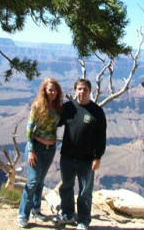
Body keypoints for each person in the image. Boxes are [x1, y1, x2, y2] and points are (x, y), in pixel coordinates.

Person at [53, 78, 107, 230]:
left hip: (87, 160)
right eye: (79, 89)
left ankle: (83, 220)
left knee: (84, 191)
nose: (82, 92)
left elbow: (101, 136)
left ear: (90, 91)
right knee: (66, 187)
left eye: (85, 89)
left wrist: (98, 157)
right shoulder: (69, 107)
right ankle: (67, 214)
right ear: (75, 90)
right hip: (67, 157)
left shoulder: (97, 111)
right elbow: (56, 122)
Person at [18, 78, 63, 228]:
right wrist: (31, 150)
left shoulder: (58, 107)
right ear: (45, 90)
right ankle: (23, 215)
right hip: (36, 148)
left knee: (40, 181)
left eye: (55, 90)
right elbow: (29, 129)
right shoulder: (38, 105)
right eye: (50, 89)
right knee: (32, 181)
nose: (53, 92)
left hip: (50, 150)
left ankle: (36, 210)